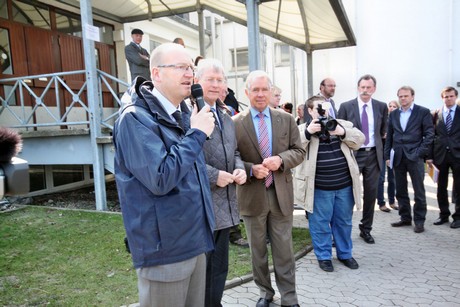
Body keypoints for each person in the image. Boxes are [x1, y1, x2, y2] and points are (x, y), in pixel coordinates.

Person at [113, 43, 216, 307]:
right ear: (156, 74)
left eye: (191, 67)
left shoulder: (183, 114)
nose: (189, 74)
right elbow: (160, 178)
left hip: (194, 242)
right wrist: (196, 134)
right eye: (181, 67)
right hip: (165, 251)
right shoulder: (135, 118)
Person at [233, 70, 305, 307]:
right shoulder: (235, 123)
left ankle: (289, 297)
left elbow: (299, 151)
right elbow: (229, 158)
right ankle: (265, 293)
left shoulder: (285, 119)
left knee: (284, 250)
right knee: (258, 252)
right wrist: (251, 169)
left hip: (280, 195)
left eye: (265, 89)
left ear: (272, 91)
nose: (261, 94)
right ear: (247, 92)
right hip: (252, 195)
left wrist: (281, 160)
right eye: (256, 89)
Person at [193, 58, 247, 306]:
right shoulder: (188, 114)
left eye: (220, 80)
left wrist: (239, 170)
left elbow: (234, 153)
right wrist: (216, 176)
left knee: (219, 268)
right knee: (201, 272)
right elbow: (185, 160)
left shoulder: (226, 116)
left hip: (225, 206)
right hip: (201, 207)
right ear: (197, 81)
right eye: (210, 79)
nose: (215, 85)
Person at [294, 95, 364, 272]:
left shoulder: (340, 124)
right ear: (310, 111)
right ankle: (324, 257)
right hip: (318, 188)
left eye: (325, 107)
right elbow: (291, 147)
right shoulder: (302, 129)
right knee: (319, 224)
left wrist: (343, 133)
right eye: (318, 108)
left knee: (344, 222)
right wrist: (309, 133)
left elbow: (360, 140)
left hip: (344, 186)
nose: (323, 111)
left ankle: (345, 254)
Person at [337, 74, 388, 244]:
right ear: (358, 88)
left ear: (374, 89)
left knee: (371, 194)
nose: (365, 91)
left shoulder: (381, 107)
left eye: (369, 87)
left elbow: (383, 131)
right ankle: (343, 231)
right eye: (362, 87)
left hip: (374, 155)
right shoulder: (345, 106)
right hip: (353, 155)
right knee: (348, 193)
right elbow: (339, 132)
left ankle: (366, 229)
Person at [385, 86, 434, 233]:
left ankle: (419, 221)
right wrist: (387, 156)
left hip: (415, 157)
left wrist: (420, 152)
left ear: (412, 96)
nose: (403, 98)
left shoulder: (423, 112)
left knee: (419, 190)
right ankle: (405, 217)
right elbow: (389, 137)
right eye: (400, 96)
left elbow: (430, 134)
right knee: (400, 189)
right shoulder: (393, 115)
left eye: (406, 96)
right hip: (398, 156)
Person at [427, 86, 460, 229]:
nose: (448, 99)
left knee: (459, 188)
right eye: (446, 96)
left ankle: (458, 217)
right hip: (440, 156)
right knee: (441, 187)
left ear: (456, 96)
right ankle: (444, 214)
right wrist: (429, 156)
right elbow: (430, 136)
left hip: (458, 155)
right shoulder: (435, 114)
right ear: (442, 98)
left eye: (451, 96)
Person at [377, 100, 400, 210]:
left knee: (392, 178)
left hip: (393, 152)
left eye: (394, 106)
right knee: (380, 178)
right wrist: (382, 135)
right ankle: (381, 203)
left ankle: (392, 201)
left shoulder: (399, 120)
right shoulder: (382, 119)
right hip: (381, 151)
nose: (391, 108)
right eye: (389, 106)